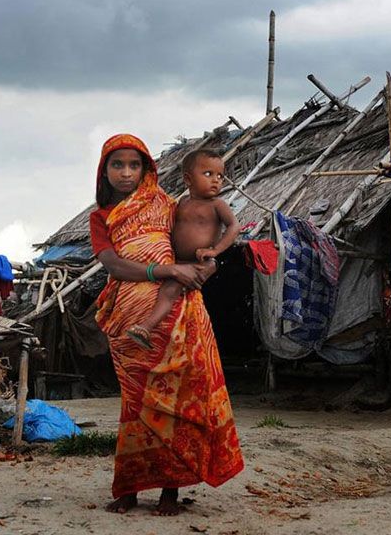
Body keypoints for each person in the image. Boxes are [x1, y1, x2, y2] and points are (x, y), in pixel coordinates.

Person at [89, 134, 244, 516]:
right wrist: (164, 269)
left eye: (134, 164)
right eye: (117, 165)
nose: (126, 173)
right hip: (129, 317)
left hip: (176, 310)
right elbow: (113, 265)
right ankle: (128, 489)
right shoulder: (101, 216)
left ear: (147, 169)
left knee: (173, 399)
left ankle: (170, 491)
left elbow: (197, 240)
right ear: (104, 171)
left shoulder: (168, 205)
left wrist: (207, 265)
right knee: (135, 404)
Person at [125, 148, 240, 349]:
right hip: (178, 262)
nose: (216, 180)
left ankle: (146, 326)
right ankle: (148, 329)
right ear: (188, 180)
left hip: (201, 262)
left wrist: (215, 251)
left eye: (220, 176)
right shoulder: (181, 203)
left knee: (170, 291)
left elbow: (234, 227)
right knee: (163, 290)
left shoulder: (217, 205)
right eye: (208, 174)